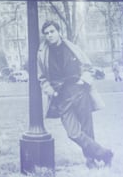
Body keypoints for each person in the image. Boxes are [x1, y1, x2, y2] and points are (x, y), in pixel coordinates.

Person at [37, 20, 113, 169]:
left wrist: (83, 80)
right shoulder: (42, 54)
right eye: (46, 33)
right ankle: (104, 154)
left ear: (59, 31)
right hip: (61, 97)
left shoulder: (72, 48)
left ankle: (91, 162)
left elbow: (87, 66)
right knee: (73, 133)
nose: (49, 35)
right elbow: (42, 78)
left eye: (52, 31)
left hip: (79, 91)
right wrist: (50, 90)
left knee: (87, 128)